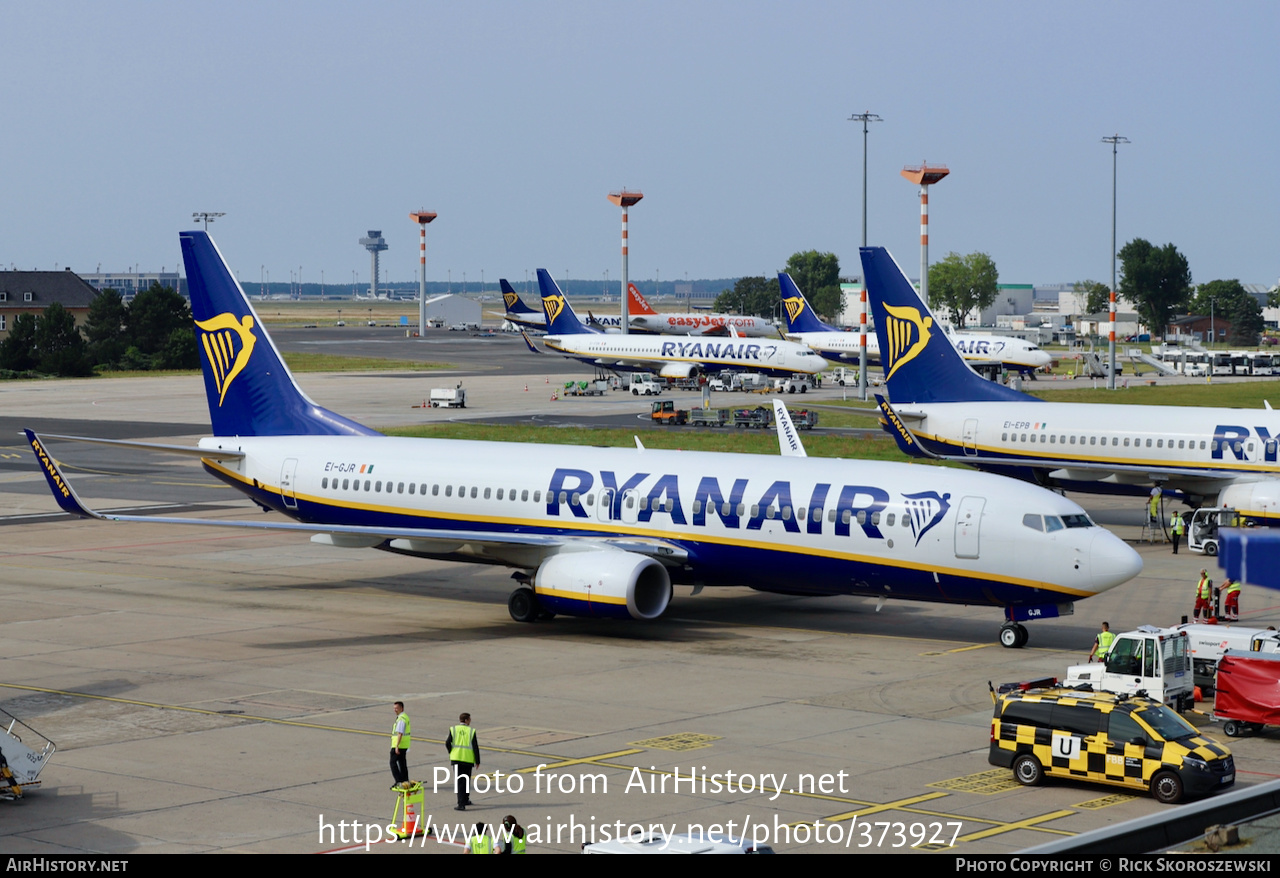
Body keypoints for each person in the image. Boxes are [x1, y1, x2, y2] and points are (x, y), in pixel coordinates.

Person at [446, 712, 480, 811]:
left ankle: (462, 802)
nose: (470, 721)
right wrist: (477, 760)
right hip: (468, 759)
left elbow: (448, 743)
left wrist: (451, 751)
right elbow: (475, 747)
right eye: (469, 719)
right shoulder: (471, 731)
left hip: (456, 759)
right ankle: (464, 801)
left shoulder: (454, 729)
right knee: (466, 780)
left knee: (459, 782)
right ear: (466, 720)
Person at [390, 701, 411, 789]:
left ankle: (398, 781)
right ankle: (405, 780)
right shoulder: (404, 717)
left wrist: (397, 746)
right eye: (394, 708)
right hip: (405, 745)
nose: (395, 710)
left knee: (393, 763)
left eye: (396, 708)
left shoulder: (401, 719)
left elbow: (400, 733)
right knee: (402, 763)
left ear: (401, 708)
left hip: (399, 745)